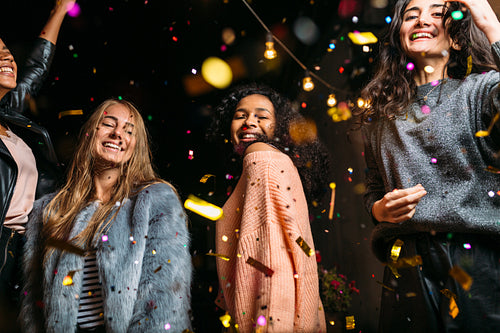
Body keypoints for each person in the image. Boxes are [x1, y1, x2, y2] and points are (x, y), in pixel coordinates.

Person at [356, 0, 500, 331]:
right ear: (399, 37)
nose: (422, 20)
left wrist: (489, 23)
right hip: (405, 261)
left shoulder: (481, 90)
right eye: (411, 15)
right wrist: (379, 210)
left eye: (437, 13)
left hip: (475, 259)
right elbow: (374, 188)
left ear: (457, 39)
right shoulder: (380, 116)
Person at [20, 99, 193, 332]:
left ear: (135, 146)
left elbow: (165, 297)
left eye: (128, 131)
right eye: (108, 124)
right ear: (91, 132)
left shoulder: (156, 200)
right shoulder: (51, 210)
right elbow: (33, 303)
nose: (117, 134)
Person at [208, 83, 329, 332]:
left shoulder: (261, 157)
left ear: (280, 127)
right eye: (240, 115)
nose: (249, 122)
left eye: (262, 116)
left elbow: (270, 265)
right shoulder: (270, 164)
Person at [0, 0, 76, 330]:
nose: (6, 57)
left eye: (5, 51)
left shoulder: (10, 120)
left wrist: (60, 9)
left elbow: (35, 70)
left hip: (23, 251)